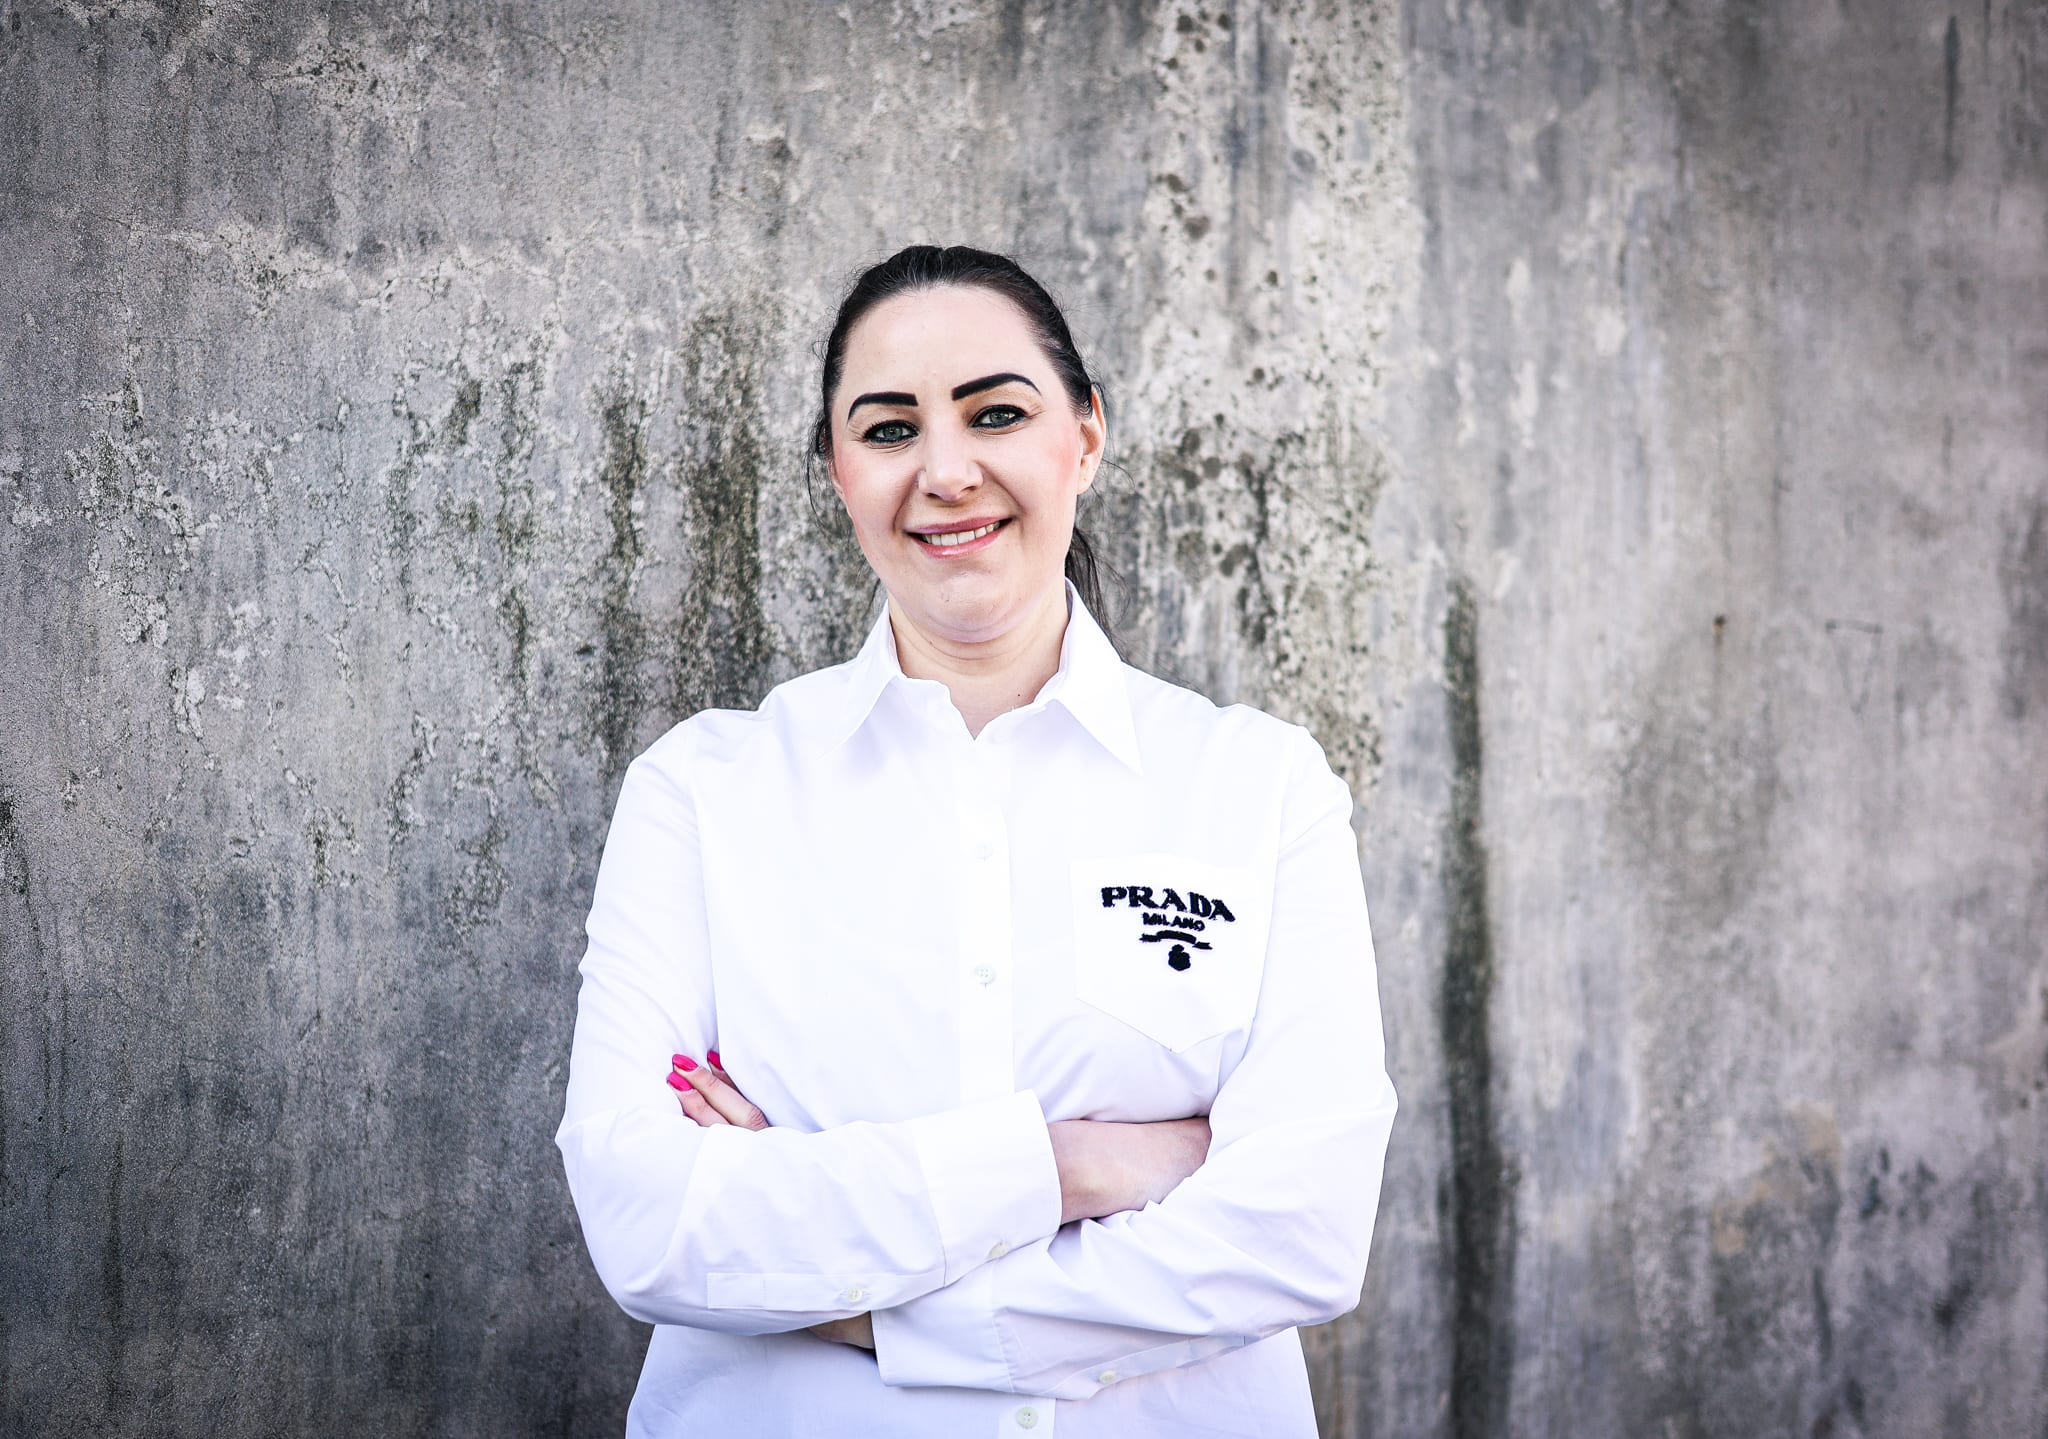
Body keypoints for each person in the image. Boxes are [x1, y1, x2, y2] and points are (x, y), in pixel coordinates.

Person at [556, 244, 1397, 1436]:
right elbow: (652, 1222)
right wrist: (1070, 1167)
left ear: (1085, 436)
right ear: (838, 471)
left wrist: (864, 1303)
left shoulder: (1257, 787)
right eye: (888, 429)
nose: (946, 471)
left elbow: (1295, 1235)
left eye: (995, 413)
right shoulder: (704, 792)